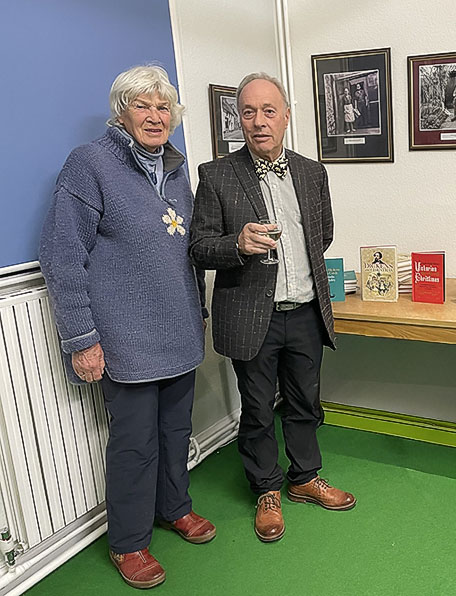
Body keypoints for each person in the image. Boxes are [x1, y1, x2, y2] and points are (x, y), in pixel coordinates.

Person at [39, 65, 216, 590]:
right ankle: (129, 542)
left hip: (180, 331)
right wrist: (81, 339)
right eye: (144, 106)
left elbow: (183, 254)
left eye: (164, 108)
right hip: (125, 340)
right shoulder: (89, 165)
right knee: (135, 443)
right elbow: (61, 256)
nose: (155, 117)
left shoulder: (179, 169)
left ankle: (174, 508)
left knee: (175, 432)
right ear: (122, 111)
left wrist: (199, 315)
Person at [189, 72, 355, 544]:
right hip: (250, 315)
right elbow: (199, 247)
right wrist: (237, 245)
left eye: (268, 111)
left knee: (305, 403)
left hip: (304, 309)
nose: (259, 122)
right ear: (238, 120)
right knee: (259, 409)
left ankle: (304, 477)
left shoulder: (311, 171)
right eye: (248, 112)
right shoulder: (216, 175)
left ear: (286, 115)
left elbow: (321, 236)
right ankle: (266, 489)